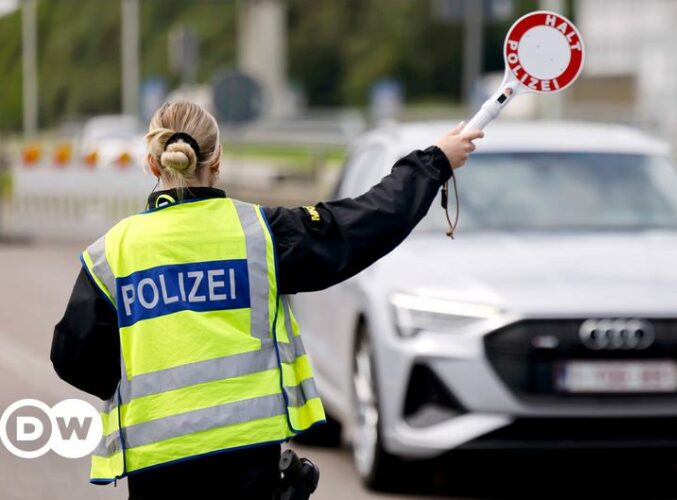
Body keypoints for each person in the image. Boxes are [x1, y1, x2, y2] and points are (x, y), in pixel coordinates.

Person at [50, 101, 483, 499]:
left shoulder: (113, 251)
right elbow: (363, 224)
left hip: (157, 465)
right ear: (216, 161)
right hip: (248, 460)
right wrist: (435, 161)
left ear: (152, 163)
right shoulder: (262, 233)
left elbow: (73, 357)